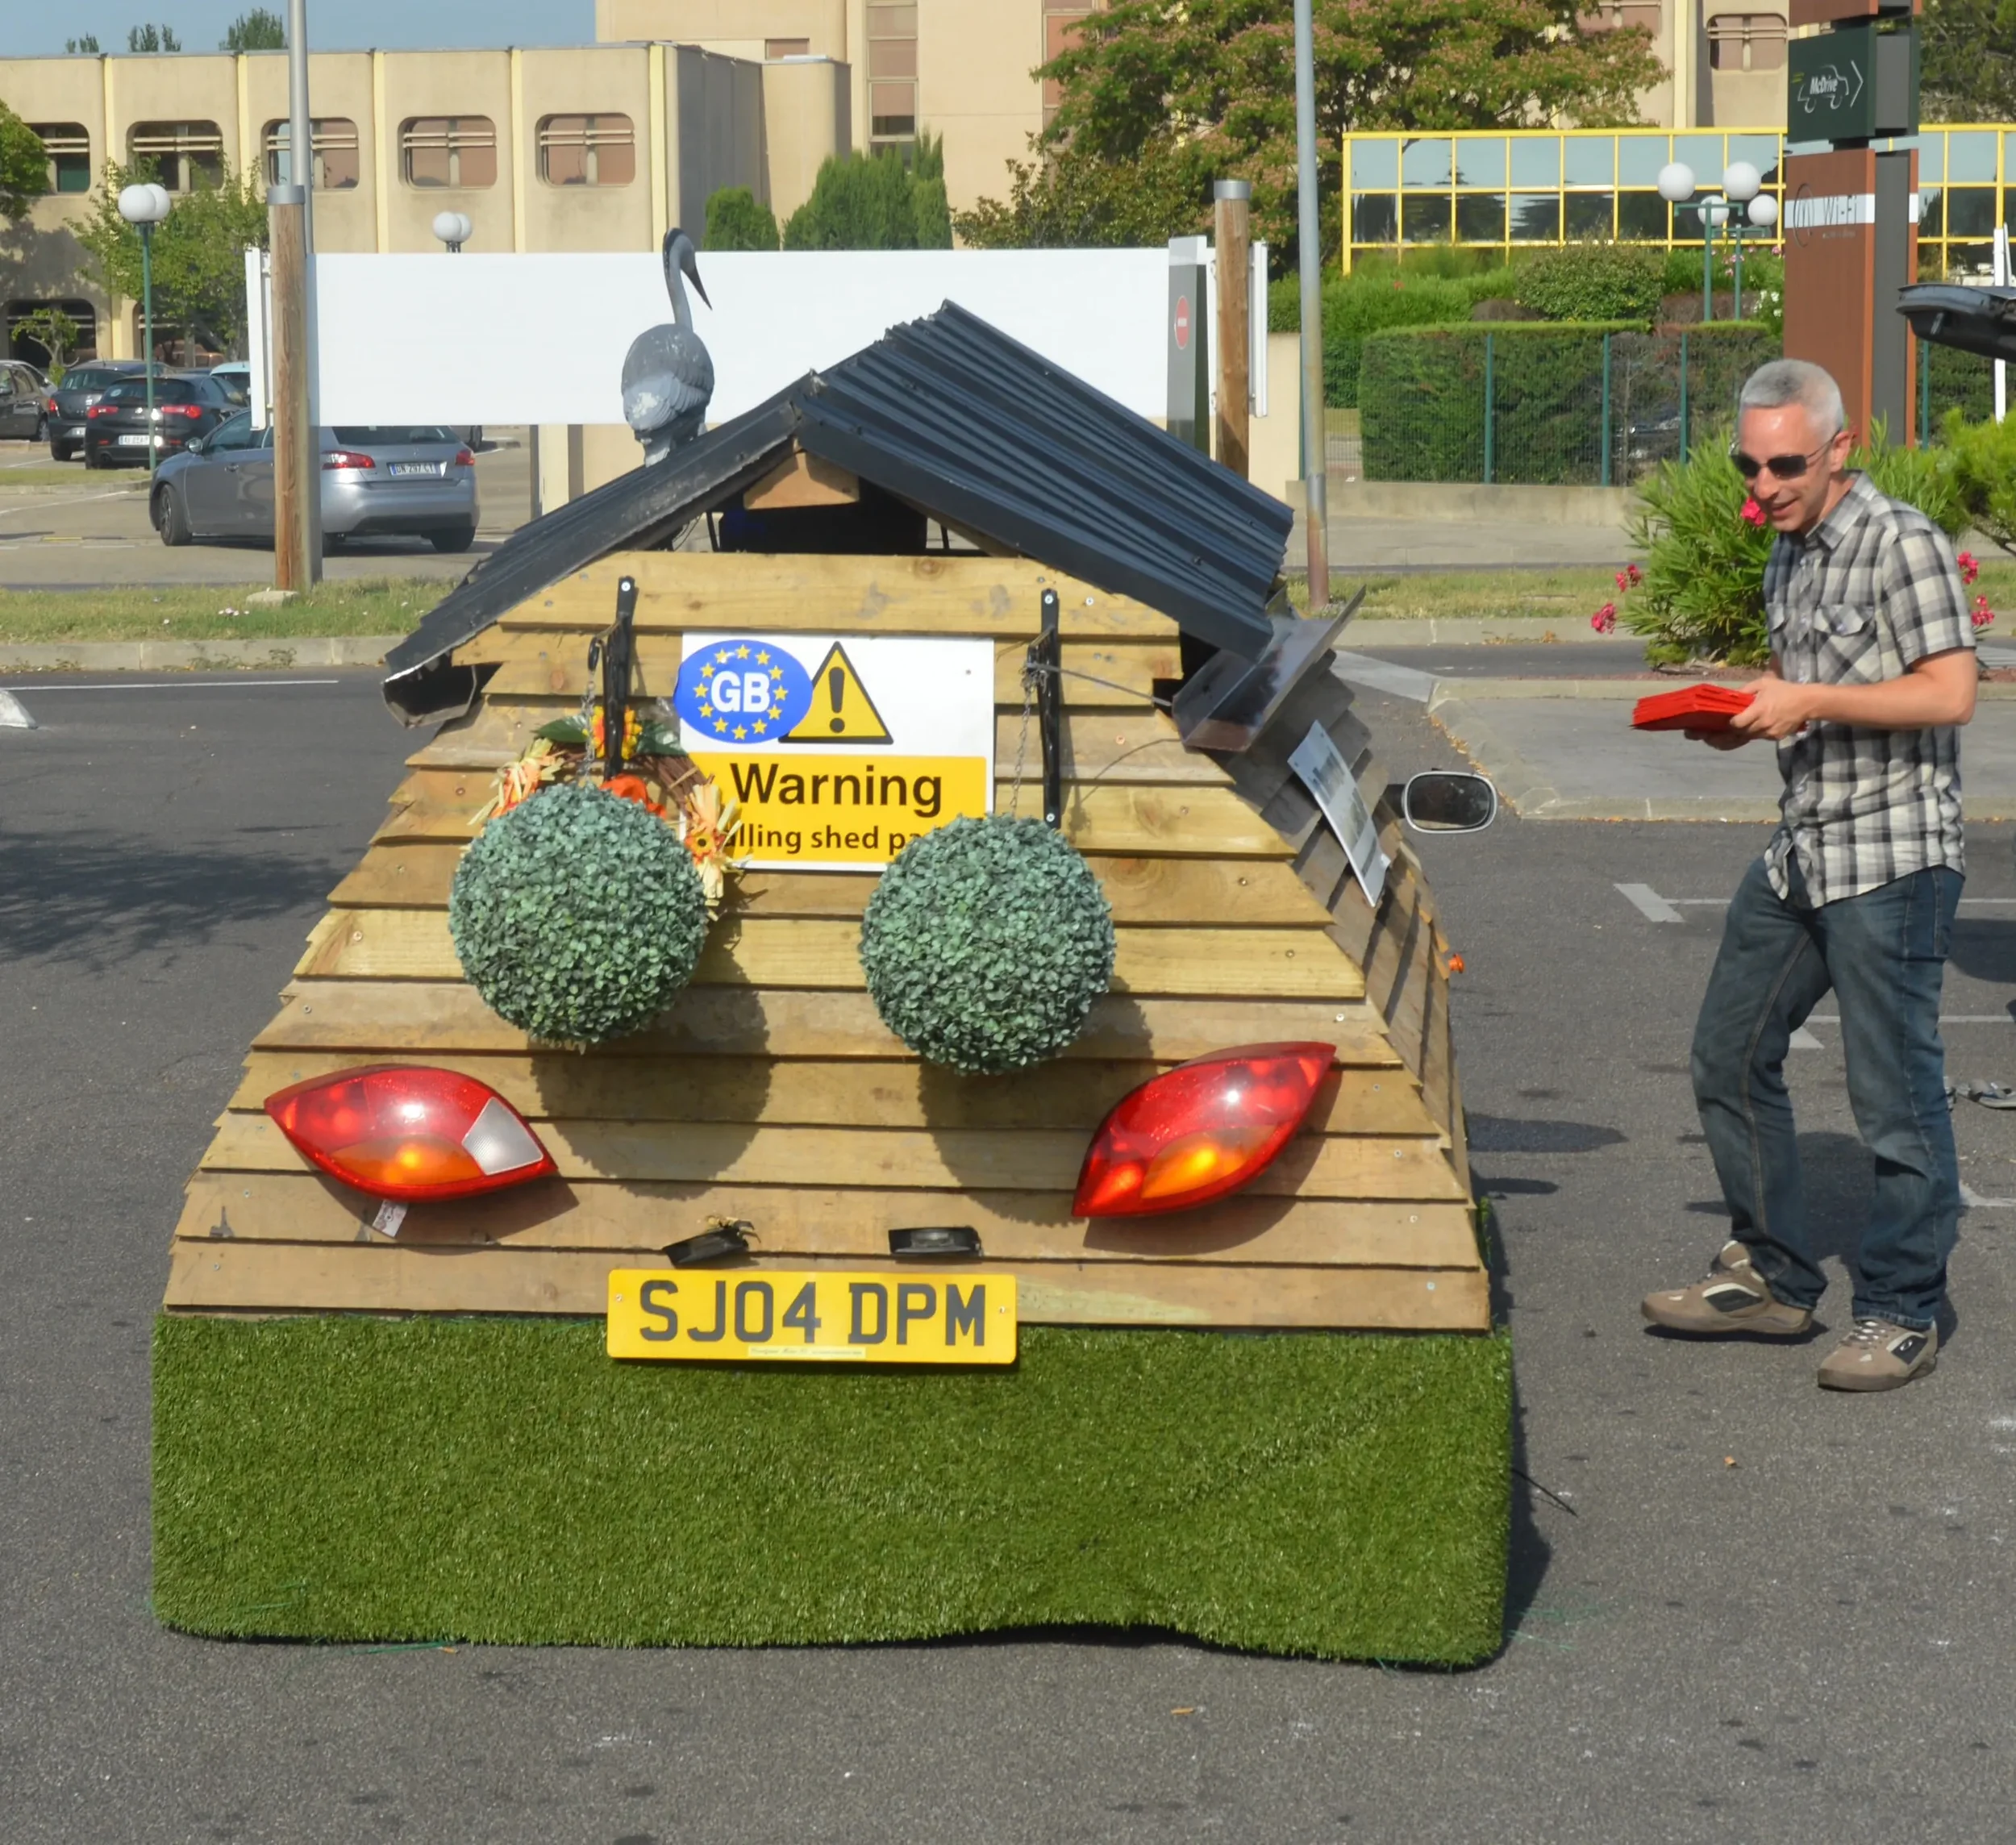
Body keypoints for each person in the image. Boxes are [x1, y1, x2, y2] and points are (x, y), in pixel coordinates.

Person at [1641, 358, 1978, 1391]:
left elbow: (1951, 693)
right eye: (1750, 464)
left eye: (1786, 462)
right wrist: (1749, 719)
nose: (1765, 484)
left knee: (1893, 1096)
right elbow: (1812, 692)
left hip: (1890, 856)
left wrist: (1812, 700)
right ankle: (1775, 1276)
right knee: (1726, 1054)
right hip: (1804, 846)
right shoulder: (1788, 549)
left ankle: (1901, 1308)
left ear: (1841, 448)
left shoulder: (1900, 544)